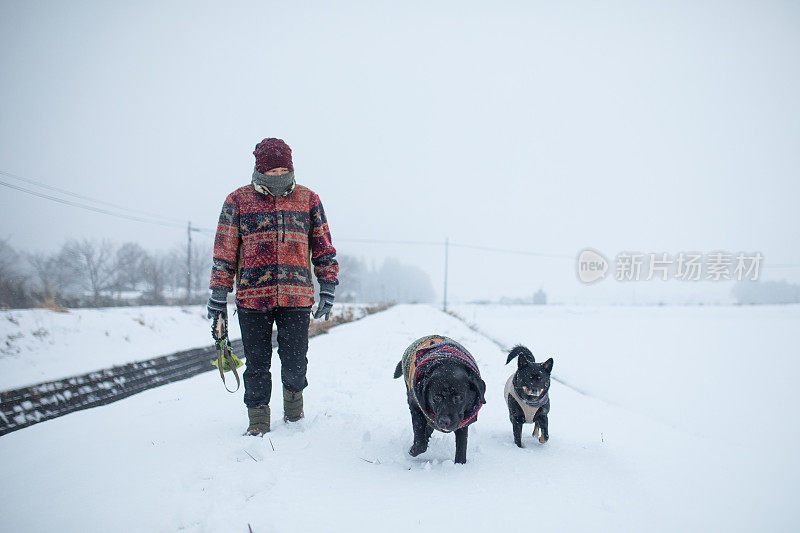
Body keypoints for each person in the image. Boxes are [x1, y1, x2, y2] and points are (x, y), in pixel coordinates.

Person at [206, 138, 338, 436]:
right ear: (259, 169)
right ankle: (258, 423)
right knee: (256, 364)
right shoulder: (237, 201)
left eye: (282, 170)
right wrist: (218, 293)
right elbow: (224, 250)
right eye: (271, 170)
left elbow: (323, 247)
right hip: (253, 299)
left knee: (294, 362)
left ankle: (294, 413)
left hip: (296, 296)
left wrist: (327, 285)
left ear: (290, 168)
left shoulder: (309, 199)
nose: (277, 176)